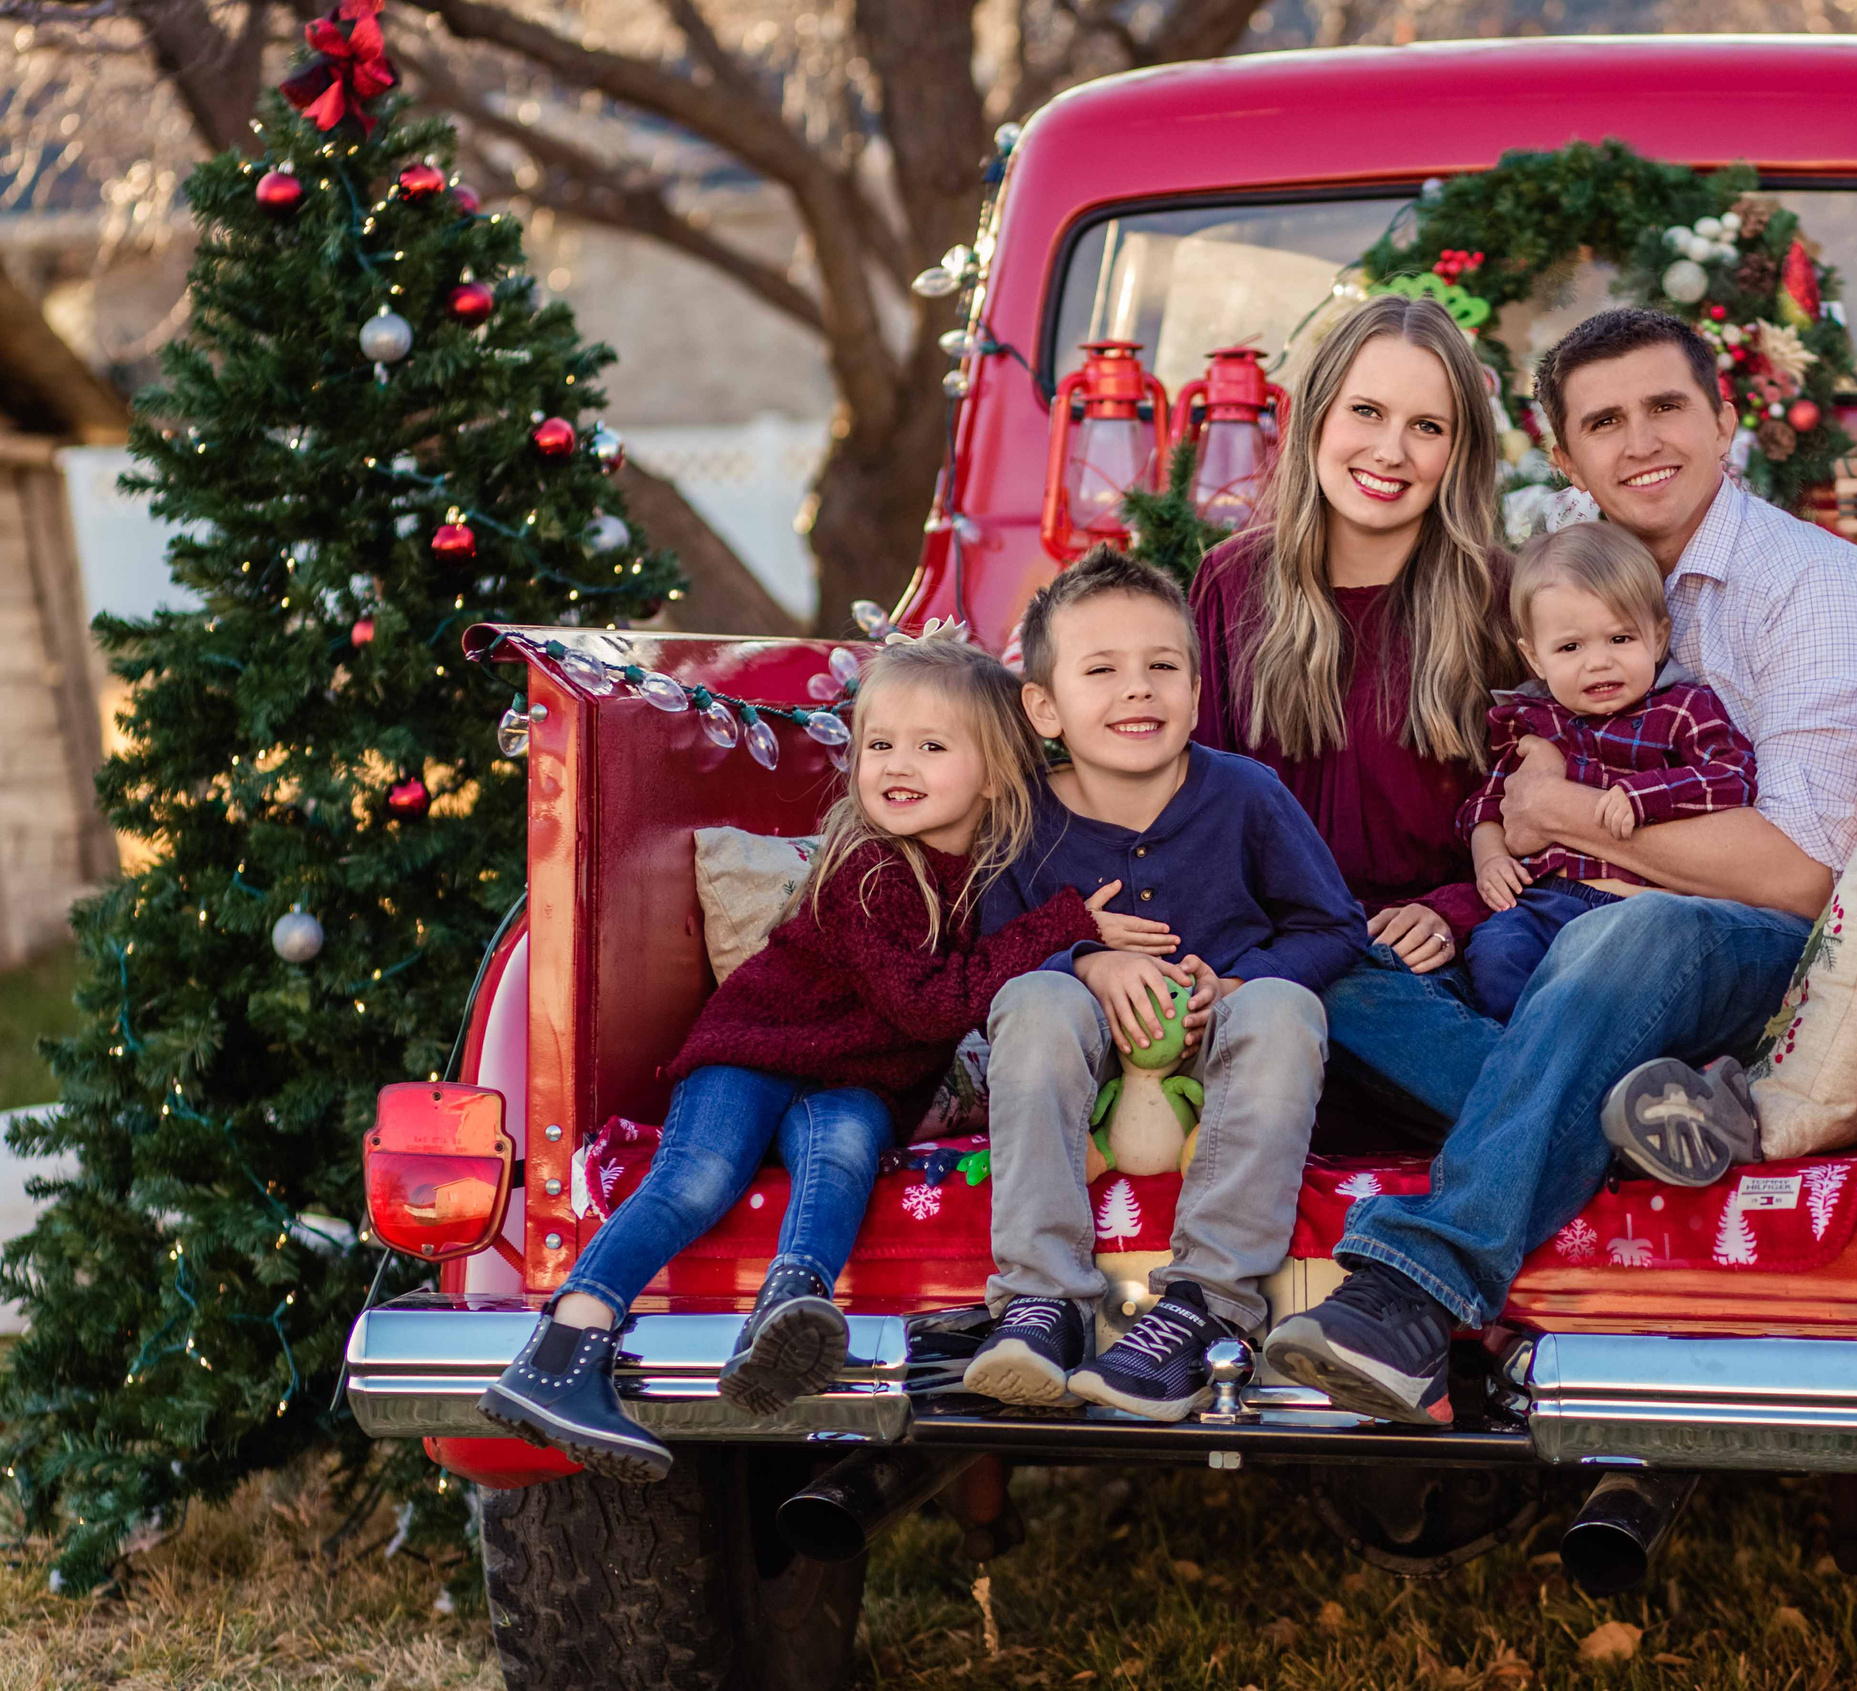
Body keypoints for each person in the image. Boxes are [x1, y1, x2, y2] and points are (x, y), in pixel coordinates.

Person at [1264, 306, 1857, 1427]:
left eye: (1667, 407)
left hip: (1736, 954)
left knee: (1624, 931)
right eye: (1603, 422)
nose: (1640, 443)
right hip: (1564, 960)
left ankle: (1416, 1288)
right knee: (1333, 978)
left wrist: (1566, 811)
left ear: (1726, 422)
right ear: (1564, 458)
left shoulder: (1810, 589)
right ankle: (1635, 1118)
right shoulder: (1559, 583)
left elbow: (1806, 879)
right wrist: (1491, 847)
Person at [475, 630, 1106, 1482]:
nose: (896, 764)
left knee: (842, 1154)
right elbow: (932, 1004)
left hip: (851, 1082)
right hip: (755, 1049)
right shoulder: (869, 869)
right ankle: (559, 1350)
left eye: (929, 746)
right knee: (697, 1174)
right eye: (880, 744)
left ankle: (788, 1317)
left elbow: (974, 988)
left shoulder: (989, 877)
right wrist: (1063, 925)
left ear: (993, 774)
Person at [962, 551, 1368, 1422]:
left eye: (1163, 667)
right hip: (1087, 1086)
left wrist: (1238, 984)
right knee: (1035, 999)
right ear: (1044, 706)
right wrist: (1084, 961)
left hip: (1217, 1071)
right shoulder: (1021, 819)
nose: (1137, 690)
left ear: (1194, 689)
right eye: (1101, 670)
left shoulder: (1247, 795)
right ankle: (1042, 1304)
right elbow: (988, 961)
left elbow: (1333, 928)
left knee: (1284, 1006)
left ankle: (1206, 1304)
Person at [1191, 294, 1516, 1022]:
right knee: (1307, 997)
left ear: (1458, 452)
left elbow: (1542, 816)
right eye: (1366, 411)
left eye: (1426, 427)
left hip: (1440, 967)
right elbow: (1193, 803)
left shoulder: (1503, 596)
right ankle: (1550, 1105)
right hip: (1273, 963)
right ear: (1316, 418)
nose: (1391, 451)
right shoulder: (1231, 582)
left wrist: (1452, 911)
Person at [1460, 520, 1758, 1023]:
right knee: (1494, 954)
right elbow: (1487, 804)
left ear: (1658, 638)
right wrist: (1490, 859)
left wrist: (1648, 794)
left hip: (1639, 907)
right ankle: (1527, 1054)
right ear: (1534, 656)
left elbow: (1735, 776)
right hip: (1545, 902)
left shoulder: (1682, 710)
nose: (1598, 663)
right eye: (1570, 648)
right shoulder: (1530, 721)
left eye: (1620, 638)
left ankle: (1604, 1066)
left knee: (1622, 984)